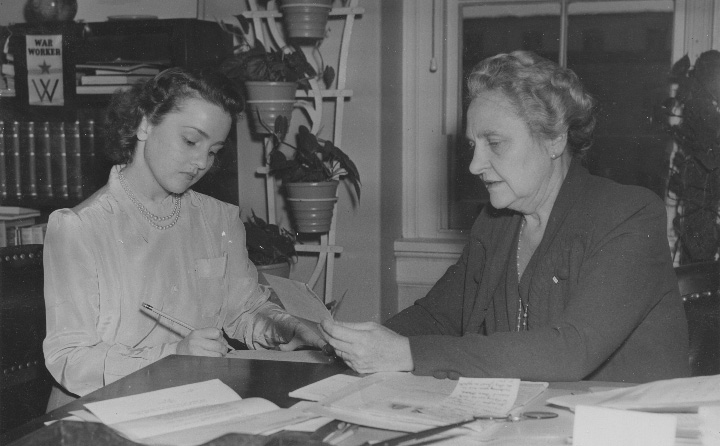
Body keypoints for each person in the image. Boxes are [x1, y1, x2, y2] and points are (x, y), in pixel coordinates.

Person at [320, 51, 690, 383]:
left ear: (555, 139)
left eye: (494, 143)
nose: (475, 165)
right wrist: (348, 343)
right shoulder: (496, 223)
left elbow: (571, 350)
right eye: (473, 145)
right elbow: (436, 317)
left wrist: (406, 354)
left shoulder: (628, 215)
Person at [43, 68, 323, 410]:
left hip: (192, 403)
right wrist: (173, 355)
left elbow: (244, 309)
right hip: (101, 412)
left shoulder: (218, 218)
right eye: (191, 141)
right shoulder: (79, 227)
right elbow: (70, 358)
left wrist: (287, 327)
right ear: (145, 124)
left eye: (213, 150)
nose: (200, 162)